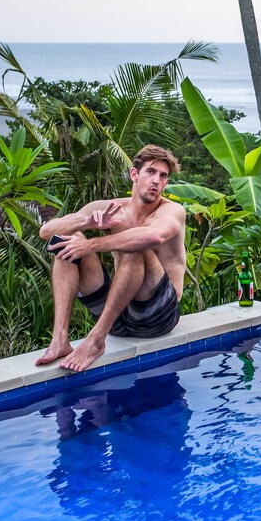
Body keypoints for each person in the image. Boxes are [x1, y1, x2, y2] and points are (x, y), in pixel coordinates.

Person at [35, 144, 187, 372]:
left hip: (156, 315)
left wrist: (90, 245)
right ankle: (59, 340)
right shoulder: (110, 208)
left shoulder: (171, 211)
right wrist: (87, 223)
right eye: (151, 172)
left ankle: (96, 340)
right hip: (118, 314)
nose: (157, 180)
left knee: (136, 243)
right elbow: (47, 231)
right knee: (68, 237)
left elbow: (154, 235)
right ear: (134, 174)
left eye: (163, 176)